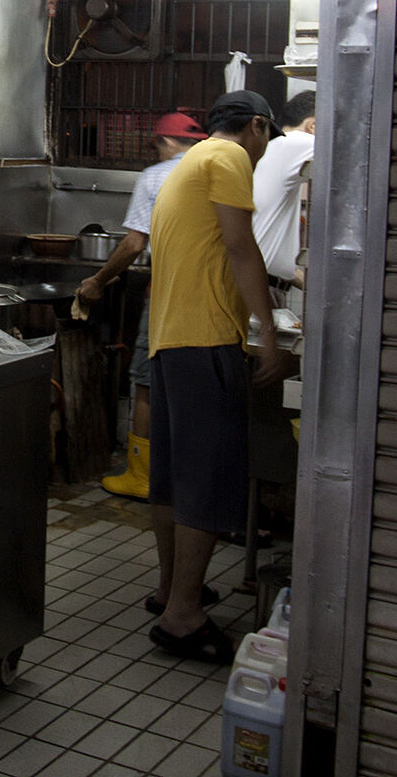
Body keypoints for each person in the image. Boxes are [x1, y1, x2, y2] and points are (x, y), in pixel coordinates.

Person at [145, 90, 290, 666]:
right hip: (206, 338)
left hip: (169, 340)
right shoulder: (227, 157)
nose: (263, 153)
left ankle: (170, 590)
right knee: (207, 478)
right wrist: (269, 333)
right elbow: (238, 245)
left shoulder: (186, 165)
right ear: (256, 126)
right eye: (267, 140)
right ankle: (184, 616)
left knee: (175, 478)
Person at [76, 110, 207, 499]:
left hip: (171, 290)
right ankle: (190, 473)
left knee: (147, 381)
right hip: (216, 293)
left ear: (165, 143)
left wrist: (98, 280)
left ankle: (142, 476)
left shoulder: (155, 176)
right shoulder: (218, 168)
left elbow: (134, 244)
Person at [252, 90, 315, 293]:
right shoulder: (294, 142)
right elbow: (356, 152)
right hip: (259, 285)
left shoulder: (275, 147)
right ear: (312, 125)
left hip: (266, 282)